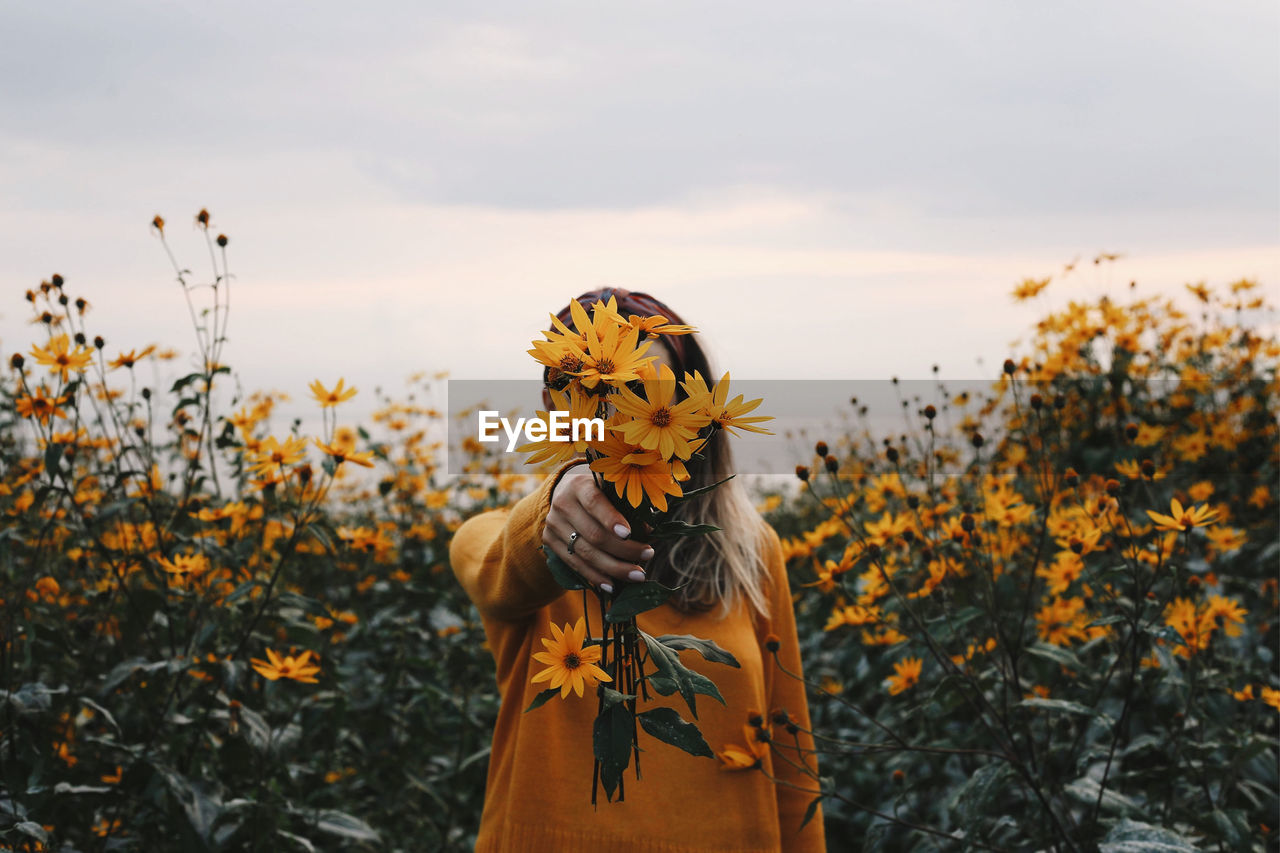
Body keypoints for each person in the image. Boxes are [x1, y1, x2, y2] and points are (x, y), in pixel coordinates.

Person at [449, 289, 826, 852]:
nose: (624, 420)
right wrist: (558, 507)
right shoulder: (522, 542)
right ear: (559, 411)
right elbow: (490, 565)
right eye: (605, 396)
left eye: (648, 394)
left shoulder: (750, 549)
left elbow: (792, 758)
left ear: (695, 411)